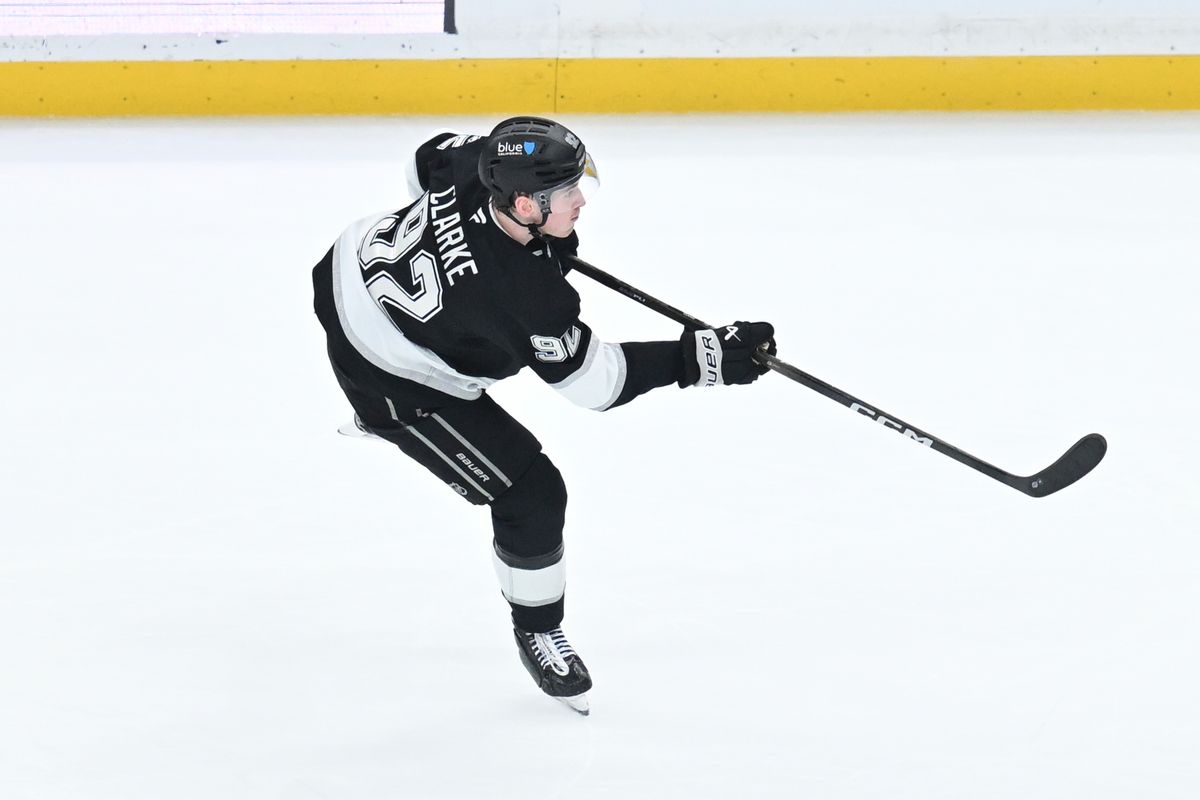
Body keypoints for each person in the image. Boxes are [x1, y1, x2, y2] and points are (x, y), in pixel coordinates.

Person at [311, 117, 776, 715]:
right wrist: (701, 356)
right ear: (526, 204)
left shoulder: (485, 162)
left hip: (342, 267)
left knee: (483, 352)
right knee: (531, 494)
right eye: (567, 193)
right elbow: (596, 385)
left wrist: (512, 242)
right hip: (385, 371)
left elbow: (424, 162)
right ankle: (536, 626)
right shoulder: (524, 297)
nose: (581, 199)